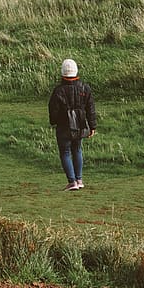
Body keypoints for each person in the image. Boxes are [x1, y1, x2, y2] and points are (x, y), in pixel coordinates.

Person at [48, 59, 96, 191]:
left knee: (65, 152)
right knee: (77, 150)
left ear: (62, 72)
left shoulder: (58, 90)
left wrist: (54, 122)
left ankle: (72, 181)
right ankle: (79, 179)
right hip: (80, 124)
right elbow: (90, 108)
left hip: (64, 126)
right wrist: (92, 126)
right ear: (76, 71)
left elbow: (53, 109)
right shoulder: (85, 88)